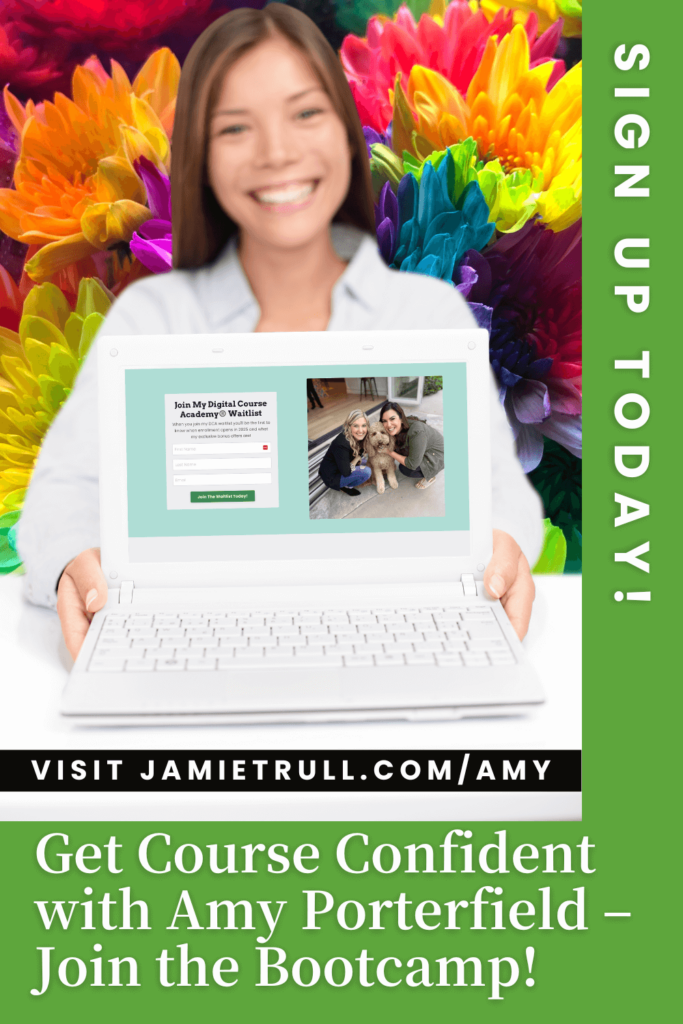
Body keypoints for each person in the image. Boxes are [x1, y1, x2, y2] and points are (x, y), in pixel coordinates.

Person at [15, 4, 543, 655]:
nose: (277, 153)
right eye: (235, 128)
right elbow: (60, 491)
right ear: (198, 159)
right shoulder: (151, 320)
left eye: (305, 114)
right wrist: (75, 558)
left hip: (383, 627)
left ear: (350, 133)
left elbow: (498, 493)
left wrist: (505, 543)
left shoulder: (427, 314)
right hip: (204, 631)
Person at [380, 401, 443, 490]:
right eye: (384, 421)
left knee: (405, 469)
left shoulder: (416, 432)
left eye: (392, 419)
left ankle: (430, 475)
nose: (388, 424)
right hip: (423, 446)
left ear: (401, 418)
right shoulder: (395, 428)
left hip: (436, 454)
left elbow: (412, 464)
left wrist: (389, 452)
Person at [319, 409, 372, 496]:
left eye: (363, 425)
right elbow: (346, 472)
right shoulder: (341, 443)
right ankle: (346, 486)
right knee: (367, 472)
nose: (360, 430)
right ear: (349, 426)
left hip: (344, 464)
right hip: (333, 475)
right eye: (356, 426)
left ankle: (348, 481)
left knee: (369, 463)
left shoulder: (360, 437)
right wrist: (357, 458)